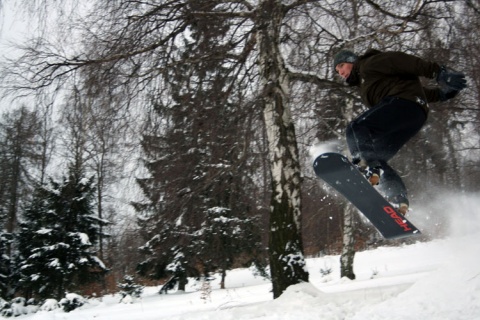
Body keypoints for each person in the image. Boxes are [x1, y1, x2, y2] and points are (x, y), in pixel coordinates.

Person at [333, 48, 467, 215]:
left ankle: (364, 164)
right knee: (377, 156)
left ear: (352, 60)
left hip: (402, 104)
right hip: (414, 114)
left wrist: (438, 72)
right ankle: (398, 199)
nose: (341, 72)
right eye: (338, 71)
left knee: (356, 128)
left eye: (342, 66)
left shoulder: (369, 64)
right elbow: (416, 90)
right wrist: (442, 94)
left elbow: (402, 61)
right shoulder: (365, 82)